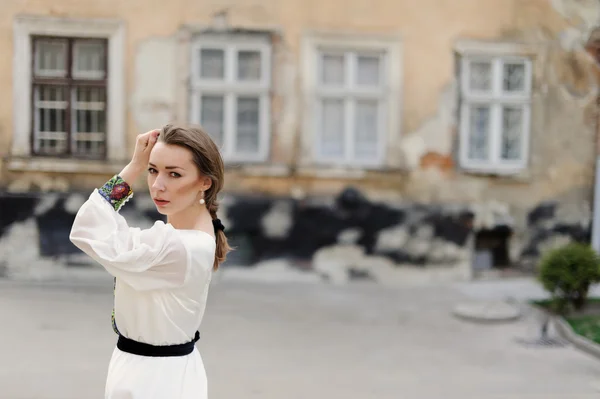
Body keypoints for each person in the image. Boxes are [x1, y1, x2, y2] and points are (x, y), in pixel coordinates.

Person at [69, 123, 231, 399]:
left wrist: (133, 167)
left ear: (206, 181)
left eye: (174, 174)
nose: (158, 185)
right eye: (152, 169)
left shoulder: (178, 247)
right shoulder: (188, 238)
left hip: (156, 381)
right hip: (149, 370)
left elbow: (87, 229)